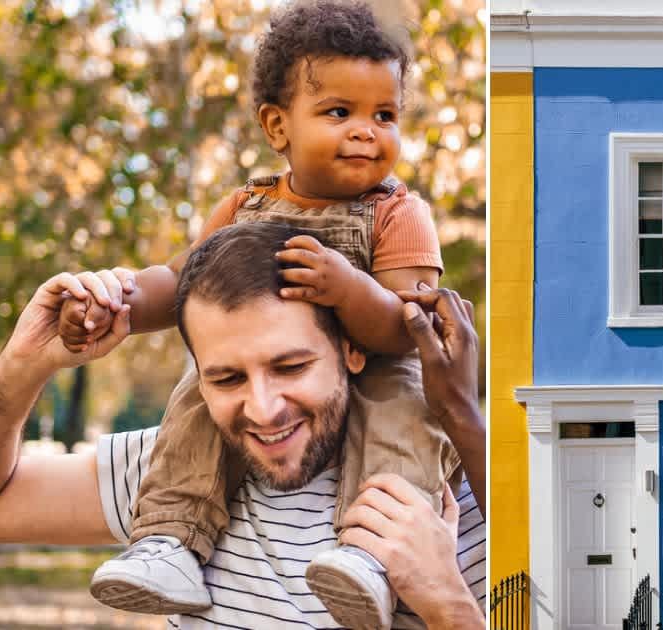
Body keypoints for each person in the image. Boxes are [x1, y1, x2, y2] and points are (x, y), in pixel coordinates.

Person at [52, 1, 464, 626]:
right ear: (278, 127)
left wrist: (348, 287)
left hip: (376, 364)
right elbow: (182, 281)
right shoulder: (245, 204)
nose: (366, 131)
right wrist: (121, 305)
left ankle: (372, 558)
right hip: (268, 364)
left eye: (385, 115)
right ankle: (170, 539)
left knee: (404, 417)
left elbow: (406, 326)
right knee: (201, 391)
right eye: (339, 112)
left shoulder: (399, 213)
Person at [0, 220, 486, 629]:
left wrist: (449, 606)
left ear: (352, 350)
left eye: (291, 366)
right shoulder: (182, 471)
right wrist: (26, 361)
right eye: (226, 379)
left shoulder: (451, 500)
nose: (263, 410)